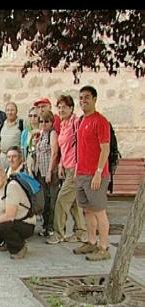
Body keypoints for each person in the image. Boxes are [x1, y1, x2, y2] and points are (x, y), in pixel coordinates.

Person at [73, 86, 111, 261]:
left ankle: (103, 247)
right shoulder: (81, 121)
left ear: (95, 99)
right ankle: (91, 241)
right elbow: (81, 149)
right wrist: (76, 170)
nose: (83, 101)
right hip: (81, 173)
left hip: (95, 175)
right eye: (81, 98)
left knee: (99, 211)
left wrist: (98, 172)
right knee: (87, 210)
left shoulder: (101, 121)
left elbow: (105, 149)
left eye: (87, 97)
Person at [46, 95, 87, 245]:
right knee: (75, 202)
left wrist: (77, 167)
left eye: (65, 106)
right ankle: (81, 232)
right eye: (59, 107)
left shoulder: (76, 123)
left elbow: (81, 147)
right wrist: (61, 163)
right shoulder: (63, 124)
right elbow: (65, 147)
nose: (61, 109)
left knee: (61, 201)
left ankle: (58, 233)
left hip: (76, 169)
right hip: (68, 167)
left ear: (71, 108)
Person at [33, 110, 59, 237]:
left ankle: (51, 227)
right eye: (41, 121)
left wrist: (49, 172)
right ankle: (45, 226)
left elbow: (54, 153)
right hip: (40, 171)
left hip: (49, 172)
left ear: (51, 122)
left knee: (51, 199)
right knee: (44, 201)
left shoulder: (52, 134)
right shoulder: (42, 134)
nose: (43, 124)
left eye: (46, 121)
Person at [0, 102, 23, 169]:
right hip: (3, 157)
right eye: (8, 110)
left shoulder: (21, 124)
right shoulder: (2, 125)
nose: (10, 112)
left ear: (16, 112)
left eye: (12, 110)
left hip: (15, 158)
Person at [21, 107, 41, 175]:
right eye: (30, 116)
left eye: (35, 116)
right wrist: (24, 162)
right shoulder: (25, 132)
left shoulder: (42, 130)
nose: (32, 118)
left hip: (40, 161)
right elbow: (22, 148)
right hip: (29, 161)